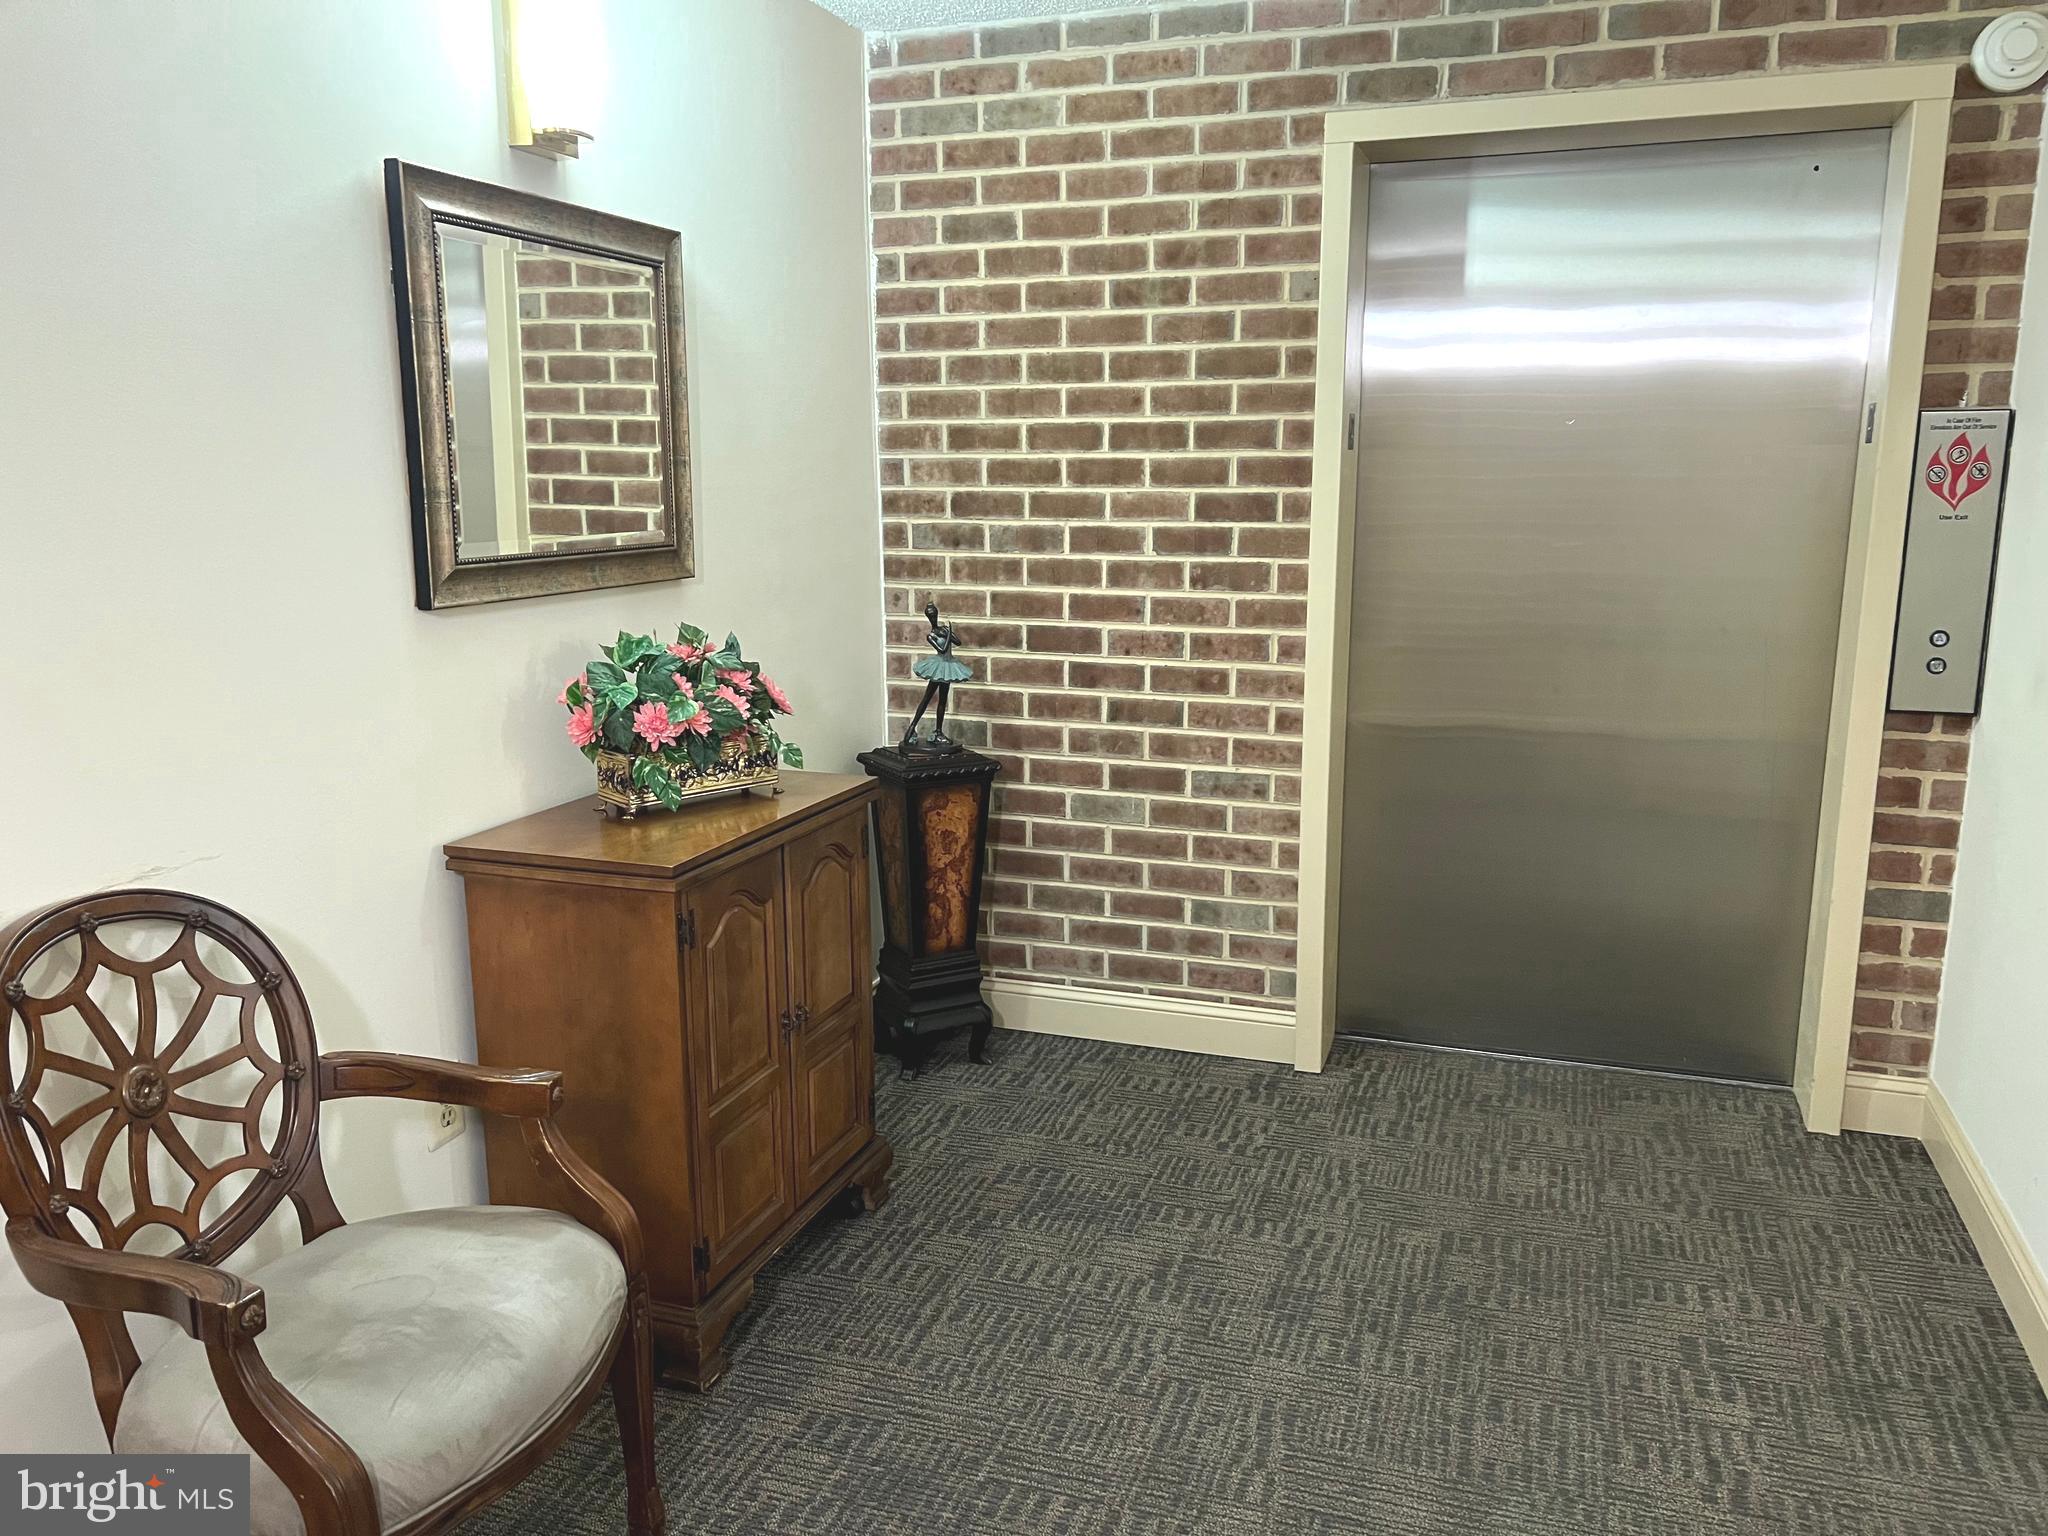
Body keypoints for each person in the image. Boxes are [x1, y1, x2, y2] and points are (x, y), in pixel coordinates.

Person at [903, 600, 971, 753]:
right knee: (927, 698)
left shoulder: (943, 630)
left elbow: (958, 642)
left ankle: (938, 731)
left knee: (942, 700)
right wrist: (945, 635)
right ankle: (913, 726)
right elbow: (942, 648)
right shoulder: (931, 635)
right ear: (928, 619)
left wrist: (949, 632)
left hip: (948, 667)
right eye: (930, 617)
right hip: (938, 667)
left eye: (934, 616)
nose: (933, 619)